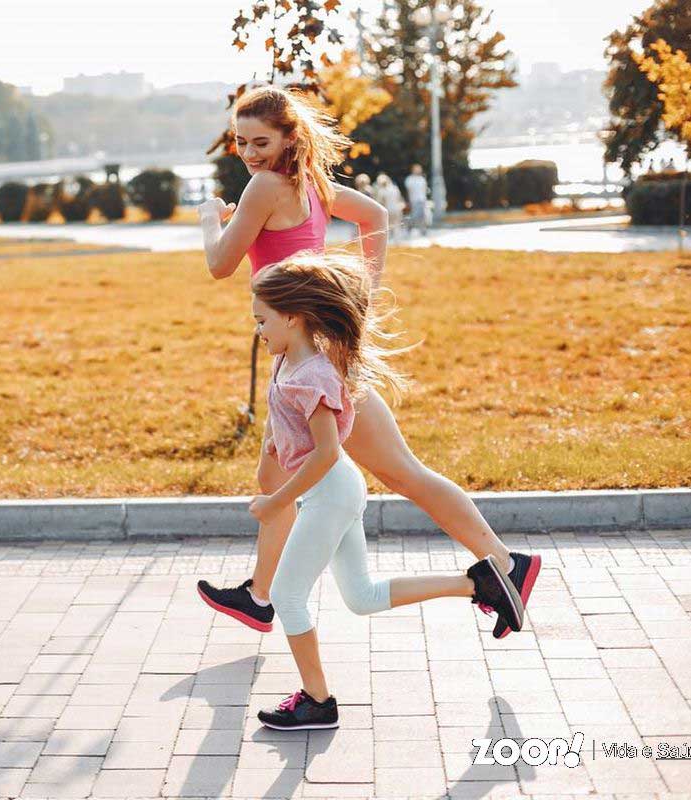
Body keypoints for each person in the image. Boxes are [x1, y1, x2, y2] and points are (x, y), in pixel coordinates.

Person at [196, 84, 541, 643]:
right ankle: (260, 596)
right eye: (241, 142)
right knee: (273, 472)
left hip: (314, 360)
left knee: (403, 473)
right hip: (306, 351)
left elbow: (219, 264)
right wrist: (362, 290)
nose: (250, 153)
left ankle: (506, 564)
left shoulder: (263, 186)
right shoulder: (306, 185)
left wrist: (211, 217)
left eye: (261, 141)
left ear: (289, 137)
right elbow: (375, 215)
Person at [248, 252, 523, 730]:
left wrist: (276, 501)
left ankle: (318, 701)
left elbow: (327, 452)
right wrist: (272, 454)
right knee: (361, 596)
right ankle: (479, 585)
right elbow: (286, 429)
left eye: (262, 320)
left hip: (331, 492)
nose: (258, 330)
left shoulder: (314, 374)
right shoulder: (287, 362)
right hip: (330, 493)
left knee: (288, 596)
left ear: (292, 317)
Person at [374, 173, 405, 242]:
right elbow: (399, 199)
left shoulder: (381, 191)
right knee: (397, 225)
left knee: (387, 225)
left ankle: (389, 240)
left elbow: (380, 203)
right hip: (397, 209)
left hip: (388, 210)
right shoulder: (394, 188)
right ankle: (397, 240)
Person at [404, 164, 430, 236]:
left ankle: (423, 230)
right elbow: (408, 192)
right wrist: (408, 201)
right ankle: (409, 227)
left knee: (423, 216)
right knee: (415, 216)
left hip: (422, 200)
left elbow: (424, 191)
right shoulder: (409, 179)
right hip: (414, 200)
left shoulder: (422, 179)